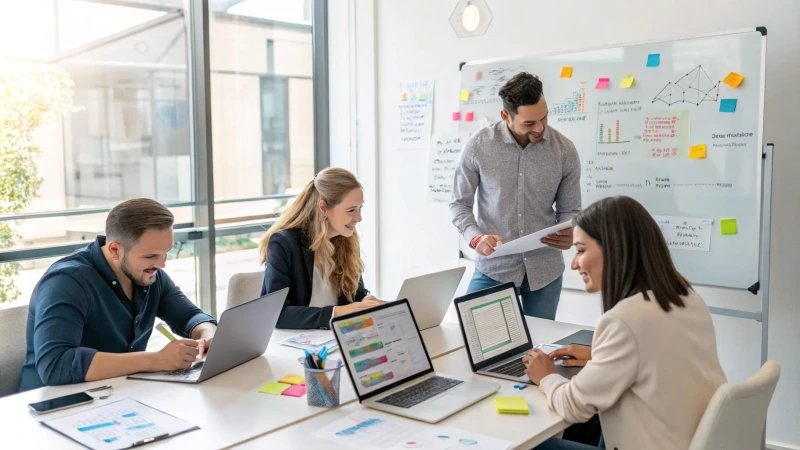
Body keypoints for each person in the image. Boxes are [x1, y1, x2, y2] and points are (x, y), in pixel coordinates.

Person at [524, 196, 727, 450]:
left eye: (581, 250)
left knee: (526, 445)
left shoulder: (626, 320)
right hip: (687, 439)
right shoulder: (685, 296)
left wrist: (546, 376)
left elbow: (572, 406)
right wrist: (599, 356)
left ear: (614, 250)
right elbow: (658, 357)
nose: (574, 264)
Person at [20, 199, 217, 391]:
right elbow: (56, 365)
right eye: (150, 256)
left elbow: (190, 316)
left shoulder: (149, 275)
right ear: (115, 249)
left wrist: (207, 335)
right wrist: (155, 360)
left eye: (166, 252)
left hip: (117, 393)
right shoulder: (66, 281)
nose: (161, 264)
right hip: (54, 401)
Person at [450, 72, 581, 320]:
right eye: (529, 123)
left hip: (545, 269)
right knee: (474, 332)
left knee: (542, 341)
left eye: (544, 117)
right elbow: (459, 205)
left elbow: (570, 210)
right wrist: (476, 238)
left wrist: (571, 231)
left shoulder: (564, 150)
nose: (540, 128)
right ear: (505, 116)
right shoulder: (477, 147)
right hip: (494, 267)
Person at [260, 168, 383, 329]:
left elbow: (354, 297)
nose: (358, 218)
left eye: (360, 208)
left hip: (335, 336)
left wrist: (366, 303)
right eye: (351, 210)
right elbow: (277, 314)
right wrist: (336, 312)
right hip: (295, 339)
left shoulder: (348, 241)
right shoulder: (284, 243)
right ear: (324, 207)